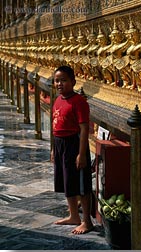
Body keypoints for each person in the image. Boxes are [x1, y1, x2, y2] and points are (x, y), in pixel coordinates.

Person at [51, 65, 94, 234]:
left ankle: (87, 221)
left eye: (64, 80)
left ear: (73, 82)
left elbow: (84, 129)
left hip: (74, 144)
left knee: (81, 184)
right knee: (67, 181)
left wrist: (82, 154)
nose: (60, 84)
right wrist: (54, 150)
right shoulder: (58, 99)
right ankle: (73, 215)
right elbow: (56, 127)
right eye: (57, 80)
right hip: (60, 143)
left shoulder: (79, 102)